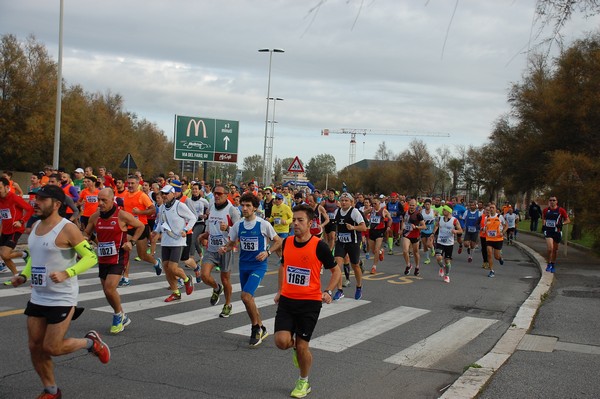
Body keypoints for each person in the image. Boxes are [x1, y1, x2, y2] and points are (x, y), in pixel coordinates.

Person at [9, 184, 109, 399]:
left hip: (62, 297)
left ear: (56, 204)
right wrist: (24, 275)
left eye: (42, 200)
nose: (36, 202)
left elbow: (91, 257)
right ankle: (51, 390)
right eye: (36, 198)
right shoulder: (35, 226)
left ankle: (91, 343)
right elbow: (35, 258)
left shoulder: (67, 229)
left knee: (52, 347)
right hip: (38, 295)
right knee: (35, 346)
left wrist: (68, 272)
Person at [273, 204, 340, 399]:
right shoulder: (287, 242)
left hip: (309, 303)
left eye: (300, 220)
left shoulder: (319, 246)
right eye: (294, 220)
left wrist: (328, 291)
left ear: (310, 223)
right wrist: (280, 290)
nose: (295, 223)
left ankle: (304, 381)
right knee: (281, 341)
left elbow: (335, 271)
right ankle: (297, 350)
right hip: (287, 300)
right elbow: (283, 266)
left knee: (303, 346)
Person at [220, 193, 282, 346]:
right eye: (243, 205)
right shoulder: (238, 225)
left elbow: (278, 241)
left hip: (258, 266)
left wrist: (267, 252)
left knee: (245, 296)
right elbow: (232, 243)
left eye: (248, 206)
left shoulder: (263, 224)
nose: (245, 208)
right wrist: (225, 249)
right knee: (249, 300)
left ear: (255, 208)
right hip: (243, 266)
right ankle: (261, 327)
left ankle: (255, 328)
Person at [84, 188, 143, 333]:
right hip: (103, 257)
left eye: (104, 200)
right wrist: (86, 241)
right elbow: (86, 232)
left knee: (110, 288)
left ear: (112, 200)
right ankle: (122, 314)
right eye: (99, 200)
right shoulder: (95, 216)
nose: (100, 203)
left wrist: (132, 242)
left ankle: (118, 316)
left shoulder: (121, 215)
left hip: (119, 256)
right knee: (106, 291)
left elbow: (140, 226)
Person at [199, 184, 241, 317]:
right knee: (204, 275)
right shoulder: (211, 206)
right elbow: (209, 226)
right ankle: (217, 288)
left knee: (225, 279)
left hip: (226, 249)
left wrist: (228, 228)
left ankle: (227, 304)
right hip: (211, 248)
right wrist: (203, 236)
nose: (216, 195)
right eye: (215, 193)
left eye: (219, 194)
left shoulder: (232, 210)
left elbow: (239, 232)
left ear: (226, 195)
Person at [152, 185, 197, 302]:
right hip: (166, 241)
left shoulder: (179, 206)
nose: (164, 196)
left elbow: (193, 218)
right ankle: (175, 292)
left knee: (172, 267)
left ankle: (187, 279)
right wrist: (156, 231)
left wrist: (186, 230)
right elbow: (160, 222)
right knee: (166, 269)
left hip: (177, 241)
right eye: (163, 194)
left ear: (173, 194)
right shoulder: (162, 207)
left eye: (166, 193)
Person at [121, 175, 162, 286]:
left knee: (142, 255)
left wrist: (140, 213)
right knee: (124, 251)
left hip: (141, 227)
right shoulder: (125, 195)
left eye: (132, 183)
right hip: (129, 227)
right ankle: (125, 277)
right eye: (128, 183)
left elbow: (153, 210)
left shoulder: (142, 195)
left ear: (138, 184)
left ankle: (156, 262)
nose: (130, 185)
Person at [330, 193, 367, 301]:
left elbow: (364, 227)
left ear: (351, 202)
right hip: (341, 242)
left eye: (346, 200)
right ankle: (340, 290)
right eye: (342, 200)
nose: (344, 202)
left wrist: (353, 227)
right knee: (337, 266)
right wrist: (336, 235)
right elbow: (336, 225)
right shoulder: (337, 212)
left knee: (355, 265)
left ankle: (359, 287)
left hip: (353, 242)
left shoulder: (354, 212)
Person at [0, 177, 34, 281]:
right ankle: (16, 273)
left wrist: (21, 221)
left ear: (6, 187)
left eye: (0, 188)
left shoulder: (14, 197)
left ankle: (24, 255)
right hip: (5, 230)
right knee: (3, 255)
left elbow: (30, 209)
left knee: (5, 255)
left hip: (15, 230)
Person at [541, 196, 570, 273]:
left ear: (556, 201)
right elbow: (543, 219)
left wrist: (562, 223)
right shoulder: (545, 210)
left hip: (557, 231)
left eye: (554, 200)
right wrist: (543, 226)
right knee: (550, 249)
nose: (552, 201)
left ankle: (553, 264)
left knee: (555, 250)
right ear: (549, 201)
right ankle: (549, 264)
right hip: (548, 231)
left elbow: (568, 220)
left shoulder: (561, 210)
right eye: (550, 200)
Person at [435, 205, 463, 283]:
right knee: (438, 258)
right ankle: (442, 267)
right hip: (440, 241)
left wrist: (456, 231)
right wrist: (432, 234)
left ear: (449, 211)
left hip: (449, 243)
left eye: (445, 210)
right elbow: (436, 226)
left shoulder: (454, 220)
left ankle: (447, 275)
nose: (443, 211)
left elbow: (461, 230)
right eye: (443, 210)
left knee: (447, 261)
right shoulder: (440, 218)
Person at [367, 196, 391, 274]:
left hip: (380, 232)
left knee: (376, 249)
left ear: (379, 203)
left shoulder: (383, 211)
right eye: (373, 203)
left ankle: (374, 267)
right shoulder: (371, 210)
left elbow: (390, 219)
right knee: (373, 250)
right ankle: (381, 252)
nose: (374, 205)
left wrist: (388, 226)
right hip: (372, 231)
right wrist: (367, 212)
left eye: (375, 203)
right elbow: (362, 214)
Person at [401, 199, 425, 276]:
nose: (411, 207)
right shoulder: (405, 213)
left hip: (415, 235)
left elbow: (424, 226)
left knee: (415, 252)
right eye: (410, 205)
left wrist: (416, 227)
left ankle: (417, 267)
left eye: (413, 205)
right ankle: (408, 265)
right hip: (406, 234)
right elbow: (403, 221)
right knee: (405, 251)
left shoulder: (418, 214)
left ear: (416, 206)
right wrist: (401, 229)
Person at [483, 203, 507, 278]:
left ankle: (500, 258)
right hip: (489, 239)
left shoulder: (500, 217)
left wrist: (503, 233)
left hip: (498, 239)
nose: (491, 209)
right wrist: (484, 230)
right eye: (490, 207)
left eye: (493, 207)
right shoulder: (487, 218)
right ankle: (491, 270)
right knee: (489, 253)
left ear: (496, 209)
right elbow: (485, 227)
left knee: (496, 256)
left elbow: (506, 225)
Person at [420, 199, 437, 265]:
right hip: (423, 230)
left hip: (431, 230)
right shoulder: (422, 211)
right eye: (426, 204)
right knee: (424, 245)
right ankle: (427, 259)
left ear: (431, 205)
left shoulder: (434, 211)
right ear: (424, 205)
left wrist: (436, 226)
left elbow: (438, 219)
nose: (427, 206)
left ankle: (432, 248)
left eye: (428, 204)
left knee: (429, 244)